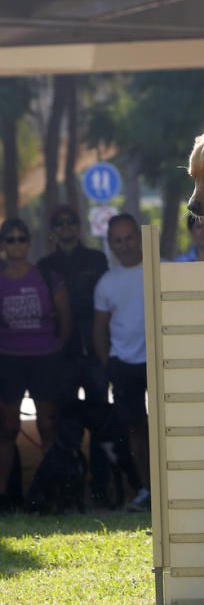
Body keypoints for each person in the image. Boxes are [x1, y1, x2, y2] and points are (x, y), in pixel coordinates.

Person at [38, 204, 111, 506]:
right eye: (60, 222)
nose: (66, 226)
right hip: (62, 353)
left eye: (71, 222)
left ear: (78, 227)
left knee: (101, 424)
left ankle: (101, 489)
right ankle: (66, 489)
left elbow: (104, 304)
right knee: (64, 424)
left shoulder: (96, 259)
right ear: (52, 230)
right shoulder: (45, 265)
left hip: (94, 349)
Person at [0, 218, 72, 513]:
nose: (16, 244)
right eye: (9, 239)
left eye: (21, 238)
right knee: (6, 428)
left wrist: (57, 347)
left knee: (47, 427)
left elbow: (65, 317)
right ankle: (4, 496)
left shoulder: (46, 276)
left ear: (29, 242)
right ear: (3, 245)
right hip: (9, 359)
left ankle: (49, 492)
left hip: (45, 358)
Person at [92, 213, 150, 512]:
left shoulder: (162, 269)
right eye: (117, 240)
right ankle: (146, 489)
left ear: (139, 238)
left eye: (129, 238)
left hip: (158, 362)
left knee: (168, 427)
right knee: (136, 431)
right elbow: (99, 329)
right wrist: (109, 365)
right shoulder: (106, 283)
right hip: (124, 365)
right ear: (110, 244)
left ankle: (172, 486)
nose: (124, 245)